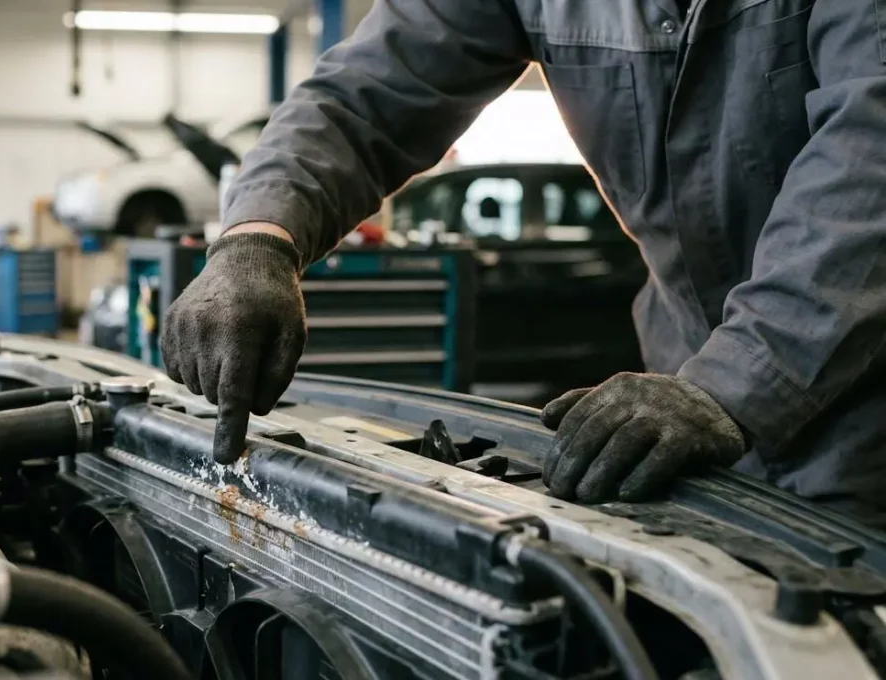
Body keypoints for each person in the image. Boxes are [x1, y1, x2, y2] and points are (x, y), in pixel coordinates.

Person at [159, 0, 886, 527]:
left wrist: (734, 383)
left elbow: (870, 161)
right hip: (689, 407)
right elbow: (364, 101)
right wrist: (257, 237)